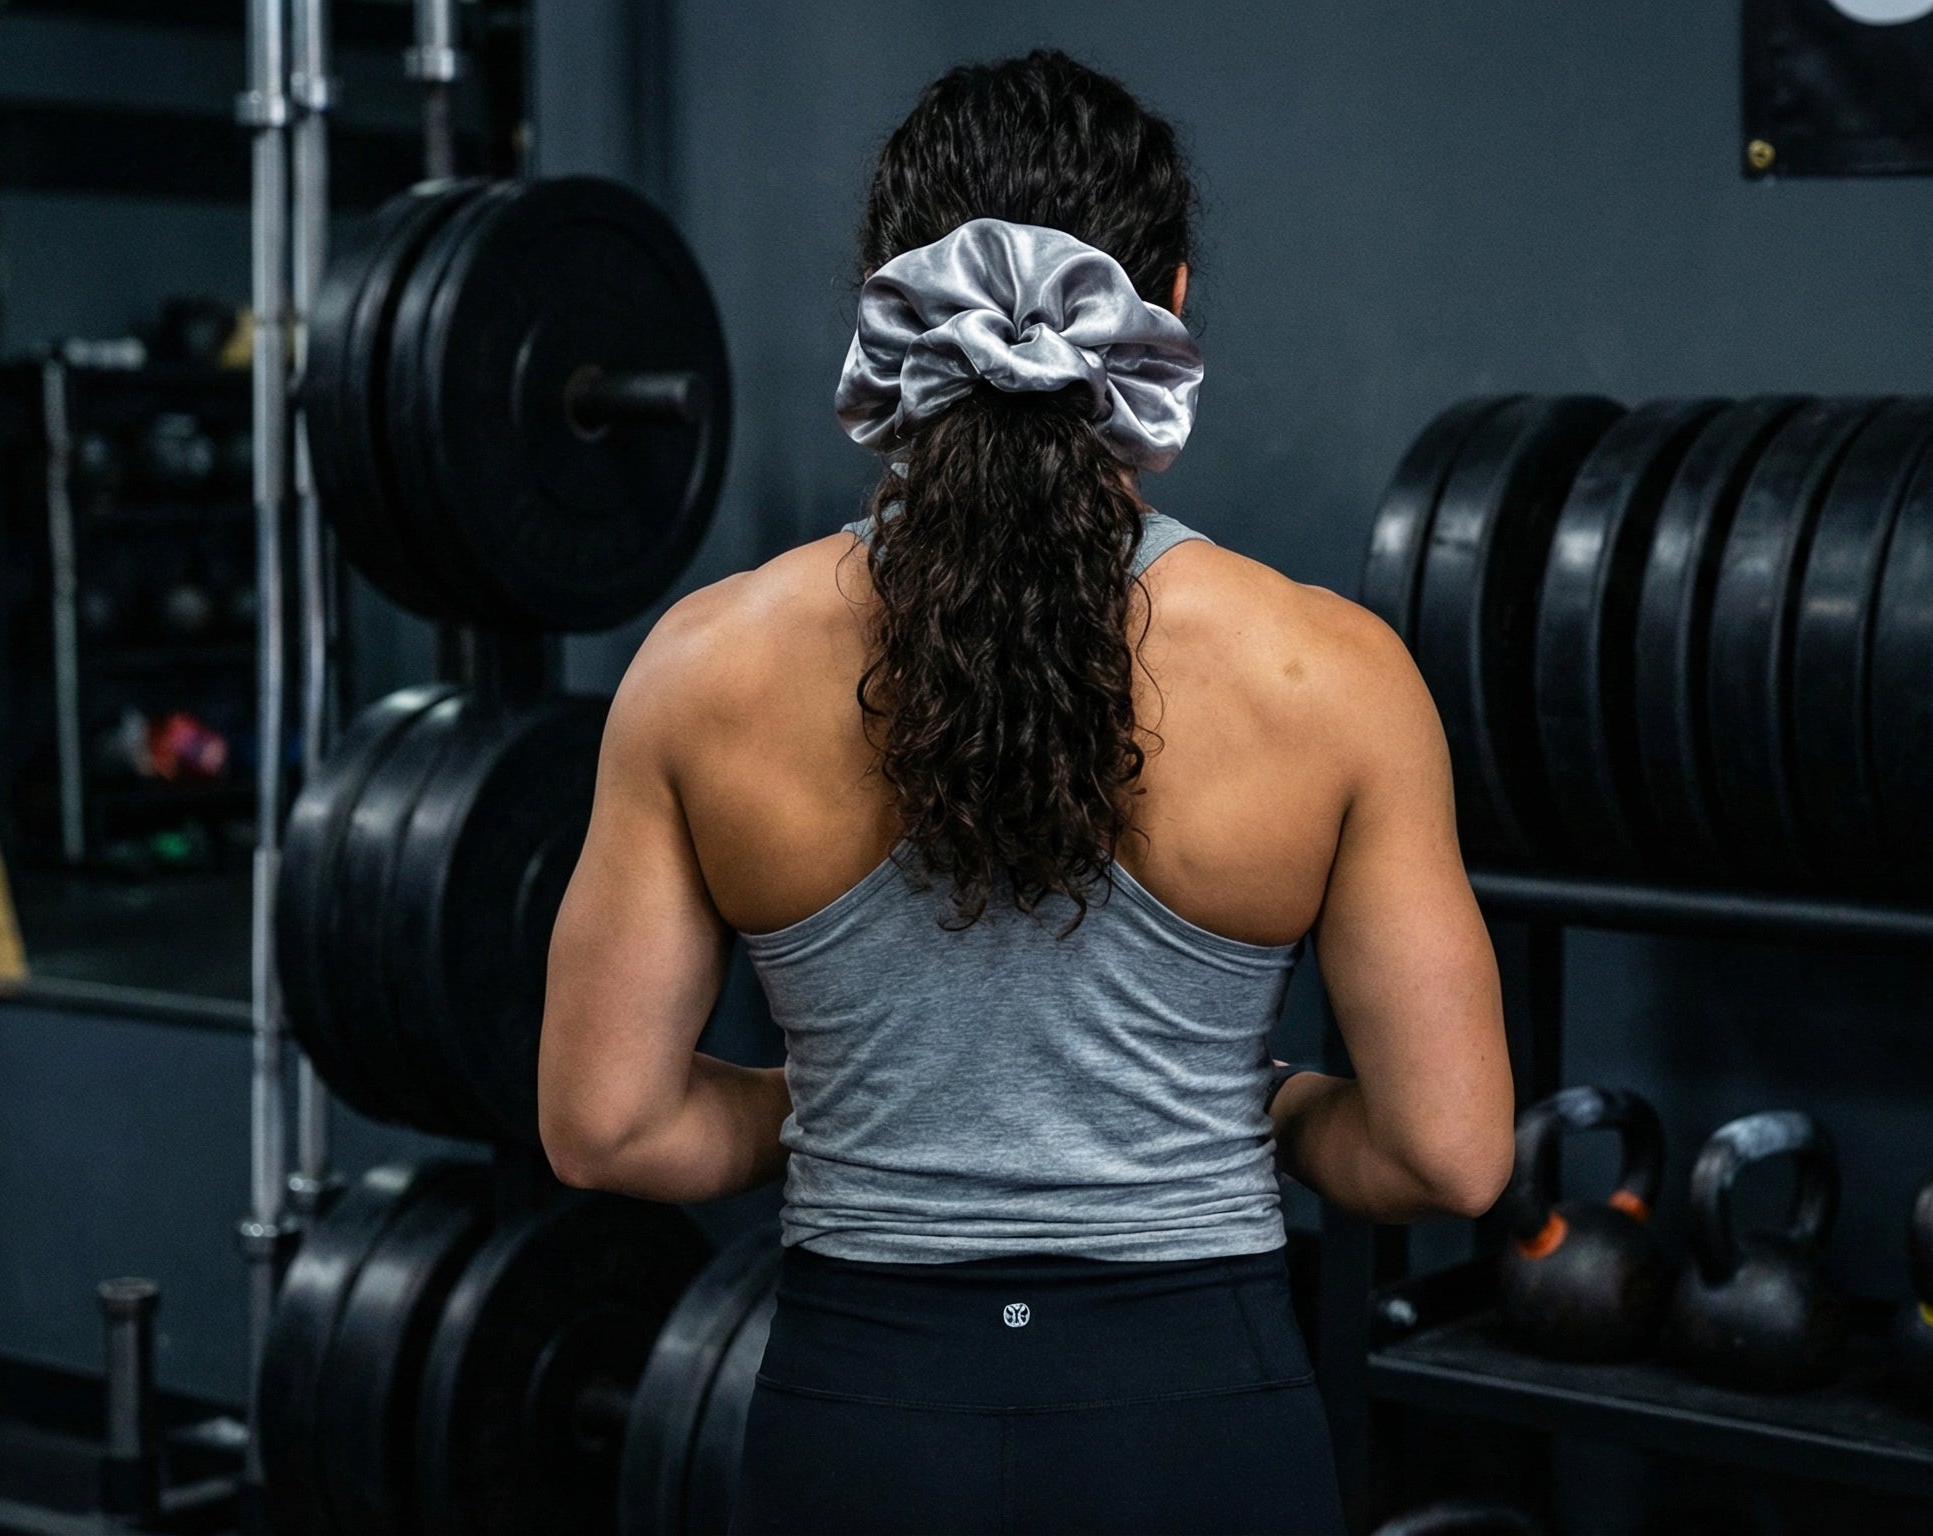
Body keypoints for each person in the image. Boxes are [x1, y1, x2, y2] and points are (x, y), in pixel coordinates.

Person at [540, 49, 1514, 1536]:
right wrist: (1263, 1112)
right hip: (1197, 1424)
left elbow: (605, 1128)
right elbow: (1449, 1154)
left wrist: (853, 1109)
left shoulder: (702, 669)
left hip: (861, 1423)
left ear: (885, 308)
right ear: (1169, 306)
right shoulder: (1333, 677)